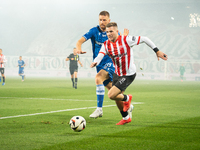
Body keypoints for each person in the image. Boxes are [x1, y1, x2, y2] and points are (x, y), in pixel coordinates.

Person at [91, 22, 168, 125]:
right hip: (117, 73)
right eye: (107, 32)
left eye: (111, 31)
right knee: (118, 100)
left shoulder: (126, 40)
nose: (109, 34)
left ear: (117, 31)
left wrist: (157, 51)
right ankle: (126, 117)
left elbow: (144, 39)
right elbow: (100, 54)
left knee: (111, 95)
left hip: (128, 74)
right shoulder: (106, 44)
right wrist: (96, 61)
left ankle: (128, 98)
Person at [76, 11, 131, 119]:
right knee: (113, 92)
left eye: (104, 20)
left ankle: (99, 109)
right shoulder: (94, 31)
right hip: (99, 64)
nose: (102, 22)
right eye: (100, 20)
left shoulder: (113, 32)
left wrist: (123, 38)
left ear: (109, 20)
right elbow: (79, 41)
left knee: (98, 78)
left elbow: (122, 46)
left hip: (111, 63)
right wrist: (78, 49)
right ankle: (126, 110)